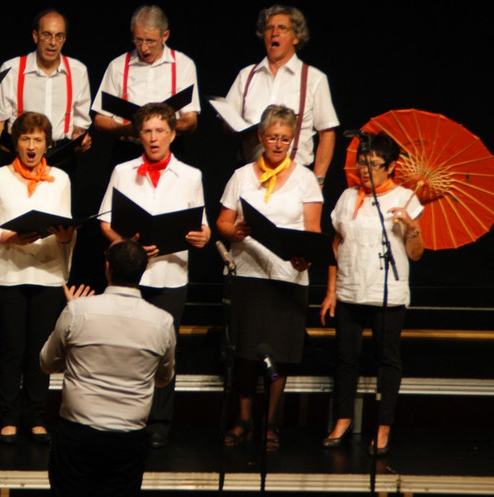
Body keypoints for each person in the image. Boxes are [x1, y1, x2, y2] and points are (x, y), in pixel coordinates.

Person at [97, 102, 210, 448]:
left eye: (160, 130)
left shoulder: (190, 176)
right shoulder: (123, 171)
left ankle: (159, 421)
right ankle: (121, 416)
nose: (153, 137)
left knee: (163, 349)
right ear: (139, 136)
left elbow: (201, 226)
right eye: (147, 131)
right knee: (124, 346)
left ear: (172, 134)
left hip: (170, 275)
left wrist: (203, 237)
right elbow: (105, 221)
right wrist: (127, 245)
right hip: (130, 276)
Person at [216, 104, 323, 450]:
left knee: (280, 353)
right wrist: (235, 230)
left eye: (285, 139)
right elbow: (222, 222)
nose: (279, 144)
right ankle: (244, 418)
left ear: (293, 141)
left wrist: (305, 255)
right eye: (273, 137)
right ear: (261, 138)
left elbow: (313, 229)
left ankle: (272, 422)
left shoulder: (305, 178)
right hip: (248, 274)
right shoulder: (242, 175)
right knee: (246, 352)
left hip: (287, 277)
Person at [41, 240, 176, 497]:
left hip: (78, 433)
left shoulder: (78, 311)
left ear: (107, 268)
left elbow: (47, 363)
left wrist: (70, 310)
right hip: (129, 437)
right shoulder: (162, 322)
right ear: (143, 271)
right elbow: (163, 378)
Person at [320, 132, 424, 456]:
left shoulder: (406, 199)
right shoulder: (348, 197)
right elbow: (336, 244)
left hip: (387, 292)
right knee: (345, 357)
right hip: (350, 288)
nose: (365, 170)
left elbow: (416, 254)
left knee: (387, 358)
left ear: (391, 166)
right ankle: (343, 418)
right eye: (361, 163)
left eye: (374, 164)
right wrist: (331, 290)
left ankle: (382, 426)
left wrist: (411, 227)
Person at [0, 112, 76, 444]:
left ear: (47, 144)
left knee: (39, 350)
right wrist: (7, 236)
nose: (31, 146)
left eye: (38, 139)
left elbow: (65, 228)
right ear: (15, 143)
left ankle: (35, 417)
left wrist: (66, 237)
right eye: (25, 138)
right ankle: (8, 417)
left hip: (46, 273)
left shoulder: (60, 179)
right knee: (11, 348)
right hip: (7, 273)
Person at [223, 5, 338, 187]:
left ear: (296, 37)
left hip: (295, 179)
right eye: (269, 28)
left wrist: (318, 179)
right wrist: (241, 130)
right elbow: (226, 126)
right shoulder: (246, 76)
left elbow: (327, 133)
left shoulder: (313, 78)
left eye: (282, 28)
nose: (274, 33)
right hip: (251, 177)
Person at [92, 5, 201, 163]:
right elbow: (100, 120)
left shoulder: (183, 65)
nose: (143, 48)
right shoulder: (118, 66)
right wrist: (127, 129)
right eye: (138, 40)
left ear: (165, 36)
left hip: (170, 151)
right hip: (128, 151)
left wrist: (159, 128)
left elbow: (190, 121)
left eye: (150, 41)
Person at [0, 9, 92, 162]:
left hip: (61, 156)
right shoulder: (12, 70)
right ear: (35, 36)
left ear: (64, 39)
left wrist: (79, 136)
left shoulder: (78, 71)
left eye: (59, 36)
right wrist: (14, 157)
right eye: (46, 35)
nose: (53, 43)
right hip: (20, 155)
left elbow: (80, 124)